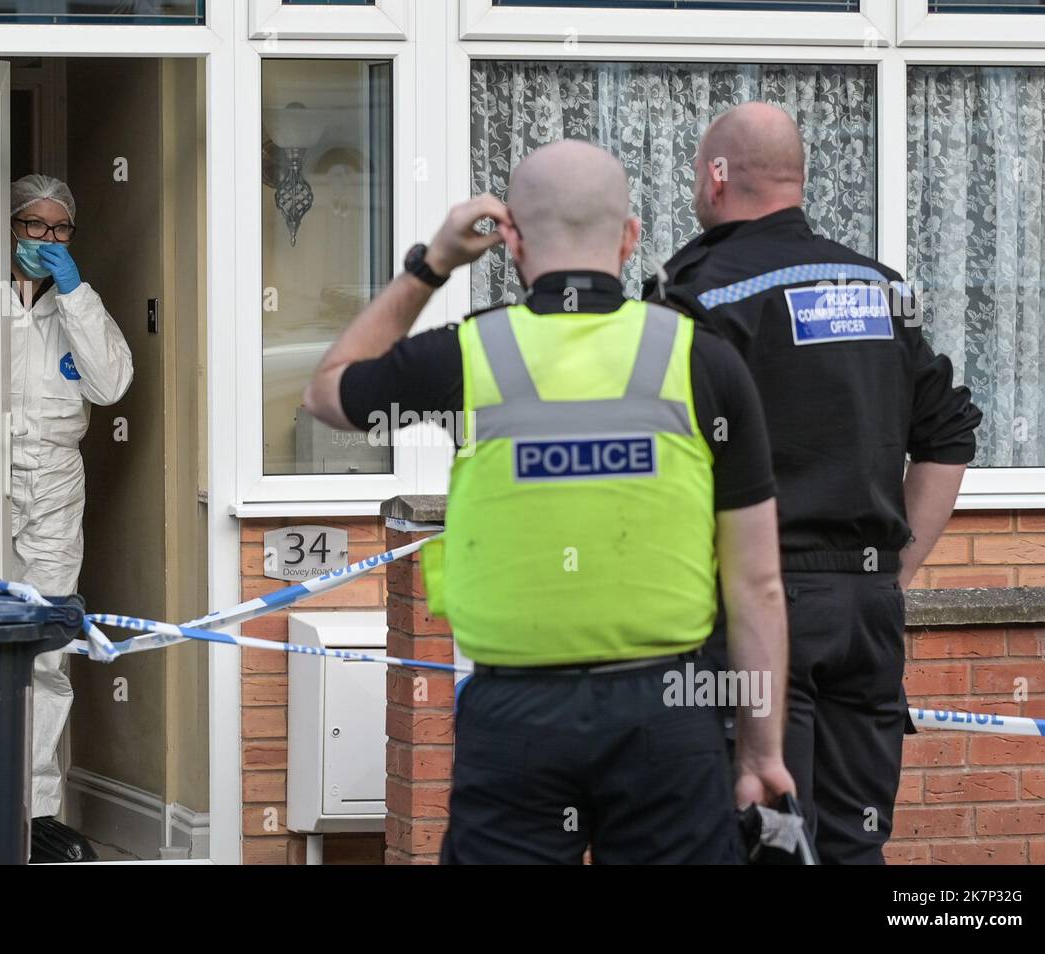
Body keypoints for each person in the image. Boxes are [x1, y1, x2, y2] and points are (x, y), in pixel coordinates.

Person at [304, 141, 793, 864]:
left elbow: (327, 391)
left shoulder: (471, 353)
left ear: (510, 241)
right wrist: (760, 752)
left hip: (516, 718)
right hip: (669, 710)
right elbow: (757, 583)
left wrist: (432, 263)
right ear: (630, 238)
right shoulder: (700, 359)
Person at [642, 103, 982, 864]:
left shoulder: (694, 294)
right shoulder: (879, 290)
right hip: (867, 616)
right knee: (856, 847)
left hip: (754, 617)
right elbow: (950, 434)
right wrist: (892, 572)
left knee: (768, 844)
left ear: (718, 176)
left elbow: (654, 462)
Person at [8, 174, 134, 846]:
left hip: (55, 479)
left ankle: (37, 813)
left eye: (60, 229)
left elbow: (111, 384)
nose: (47, 240)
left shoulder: (78, 306)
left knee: (48, 643)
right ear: (9, 228)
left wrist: (76, 292)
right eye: (34, 225)